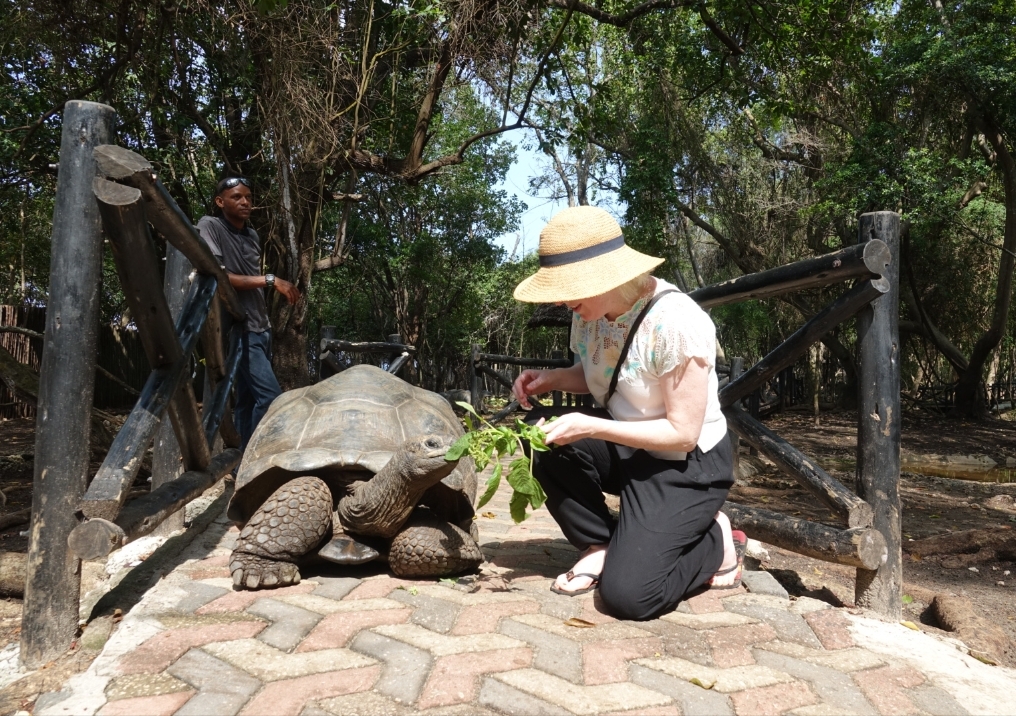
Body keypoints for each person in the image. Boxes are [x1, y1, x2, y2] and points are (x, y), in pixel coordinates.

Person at [511, 205, 744, 621]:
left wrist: (590, 425)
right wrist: (550, 379)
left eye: (571, 288)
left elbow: (683, 434)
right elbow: (601, 371)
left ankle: (716, 540)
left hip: (686, 465)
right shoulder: (589, 314)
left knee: (630, 597)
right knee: (538, 438)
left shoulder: (676, 322)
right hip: (628, 446)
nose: (564, 301)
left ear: (607, 277)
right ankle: (598, 544)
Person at [197, 176, 300, 452]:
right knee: (270, 398)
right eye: (237, 197)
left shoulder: (252, 235)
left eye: (248, 197)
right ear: (220, 202)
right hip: (240, 329)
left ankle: (239, 465)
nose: (245, 202)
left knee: (245, 401)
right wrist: (271, 280)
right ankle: (256, 458)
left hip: (261, 327)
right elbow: (220, 277)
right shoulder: (210, 226)